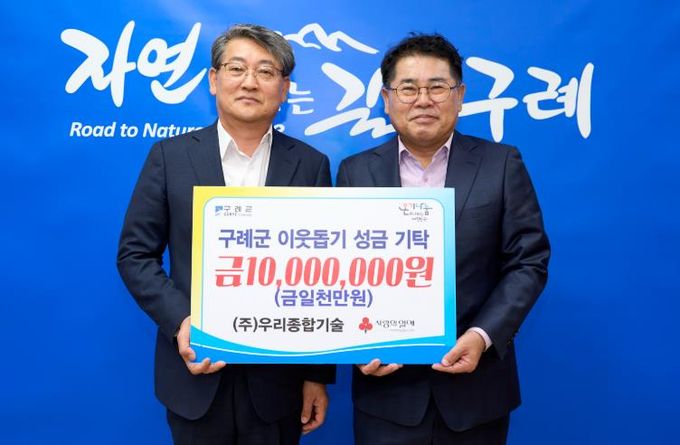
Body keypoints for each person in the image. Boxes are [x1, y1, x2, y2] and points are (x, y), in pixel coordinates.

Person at [117, 24, 334, 445]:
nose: (250, 82)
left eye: (265, 71)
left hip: (279, 382)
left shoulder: (311, 165)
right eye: (237, 68)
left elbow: (322, 276)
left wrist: (315, 375)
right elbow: (135, 255)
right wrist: (182, 321)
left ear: (284, 89)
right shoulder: (170, 157)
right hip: (195, 372)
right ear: (214, 80)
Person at [336, 33, 550, 445]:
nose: (423, 100)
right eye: (408, 88)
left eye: (437, 87)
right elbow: (339, 273)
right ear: (386, 99)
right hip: (386, 396)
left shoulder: (501, 164)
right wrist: (355, 345)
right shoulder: (355, 172)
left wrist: (482, 336)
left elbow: (528, 262)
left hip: (477, 394)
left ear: (460, 96)